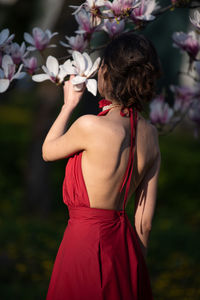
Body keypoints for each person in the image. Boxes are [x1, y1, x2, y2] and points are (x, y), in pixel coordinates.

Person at [44, 32, 162, 300]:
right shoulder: (151, 135)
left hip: (83, 245)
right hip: (126, 248)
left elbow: (48, 151)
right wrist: (135, 271)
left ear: (107, 73)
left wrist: (67, 106)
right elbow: (144, 223)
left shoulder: (90, 125)